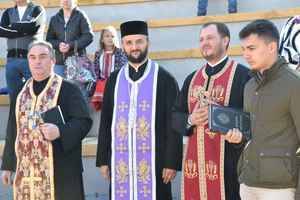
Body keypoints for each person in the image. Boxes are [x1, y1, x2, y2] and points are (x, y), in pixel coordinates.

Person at [96, 20, 182, 200]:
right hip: (121, 162)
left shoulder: (164, 79)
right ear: (123, 45)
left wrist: (171, 162)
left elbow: (174, 124)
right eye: (129, 42)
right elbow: (106, 121)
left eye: (139, 42)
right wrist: (103, 159)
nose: (134, 47)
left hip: (156, 162)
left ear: (147, 43)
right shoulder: (114, 80)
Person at [1, 40, 92, 200]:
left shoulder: (68, 89)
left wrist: (60, 131)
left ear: (52, 60)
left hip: (62, 172)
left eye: (42, 57)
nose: (37, 62)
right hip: (27, 172)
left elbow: (84, 122)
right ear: (28, 61)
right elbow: (12, 129)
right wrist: (8, 166)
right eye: (32, 57)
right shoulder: (20, 94)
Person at [172, 22, 250, 200]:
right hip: (195, 168)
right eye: (201, 39)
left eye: (210, 38)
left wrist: (240, 137)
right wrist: (190, 119)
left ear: (225, 40)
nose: (204, 42)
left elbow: (253, 121)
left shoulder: (243, 76)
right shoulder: (192, 79)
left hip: (229, 167)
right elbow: (175, 116)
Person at [238, 19, 300, 200]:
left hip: (280, 189)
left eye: (251, 48)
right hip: (248, 184)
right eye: (243, 49)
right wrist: (237, 138)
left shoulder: (294, 84)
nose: (245, 55)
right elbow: (249, 134)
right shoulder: (249, 86)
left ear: (272, 47)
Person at [0, 0, 46, 97]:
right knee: (14, 98)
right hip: (11, 60)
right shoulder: (8, 12)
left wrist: (13, 26)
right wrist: (24, 29)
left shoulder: (37, 9)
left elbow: (33, 26)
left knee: (36, 95)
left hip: (32, 60)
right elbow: (2, 31)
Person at [46, 0, 94, 77]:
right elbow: (49, 40)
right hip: (59, 63)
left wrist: (71, 45)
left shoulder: (81, 16)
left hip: (77, 62)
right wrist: (59, 45)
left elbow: (89, 36)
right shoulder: (54, 19)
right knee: (59, 87)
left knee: (76, 87)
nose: (65, 0)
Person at [90, 26, 127, 110]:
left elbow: (122, 69)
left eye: (112, 36)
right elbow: (96, 70)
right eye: (107, 36)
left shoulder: (120, 52)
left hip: (116, 81)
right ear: (102, 39)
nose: (110, 38)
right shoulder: (98, 53)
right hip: (102, 82)